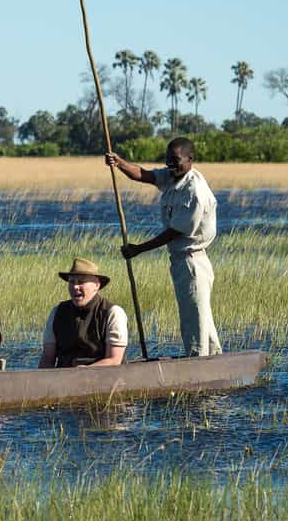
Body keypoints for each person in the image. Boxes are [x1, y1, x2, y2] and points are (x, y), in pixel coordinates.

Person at [105, 137, 222, 357]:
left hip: (193, 262)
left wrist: (138, 248)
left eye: (175, 160)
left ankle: (199, 364)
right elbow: (145, 175)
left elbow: (174, 231)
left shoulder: (194, 190)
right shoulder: (173, 176)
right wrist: (119, 162)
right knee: (200, 316)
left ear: (190, 159)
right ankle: (215, 360)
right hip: (181, 260)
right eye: (168, 159)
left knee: (194, 320)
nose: (170, 164)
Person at [38, 258, 128, 368]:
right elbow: (47, 358)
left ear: (97, 285)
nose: (75, 287)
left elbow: (114, 360)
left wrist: (84, 372)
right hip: (63, 378)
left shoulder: (113, 313)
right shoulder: (57, 312)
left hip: (104, 379)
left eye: (81, 282)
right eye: (72, 282)